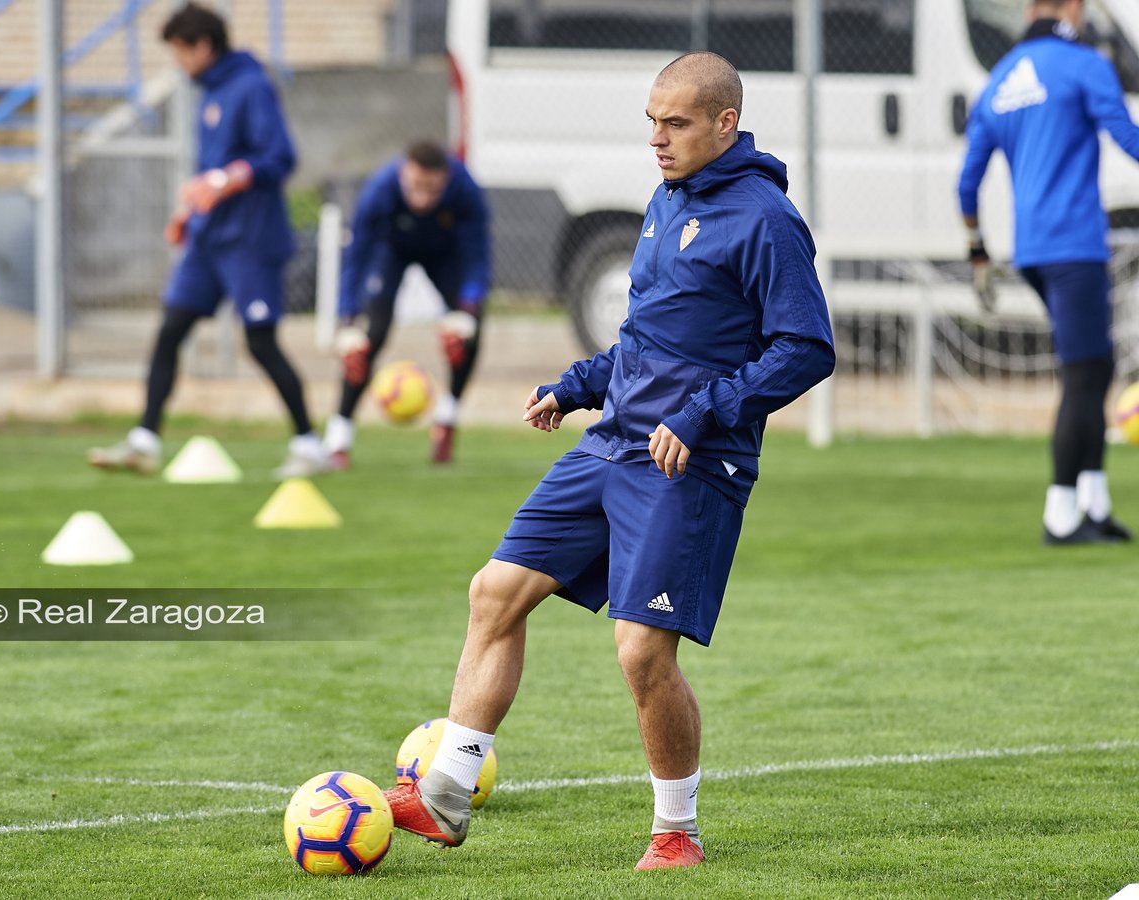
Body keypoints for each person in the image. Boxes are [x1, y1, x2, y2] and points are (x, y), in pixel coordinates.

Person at [383, 52, 835, 869]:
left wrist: (704, 413)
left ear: (725, 124)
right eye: (652, 123)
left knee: (639, 650)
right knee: (495, 591)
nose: (657, 140)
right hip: (614, 441)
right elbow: (650, 337)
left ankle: (677, 833)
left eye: (677, 124)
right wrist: (580, 385)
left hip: (688, 464)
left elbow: (805, 348)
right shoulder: (668, 199)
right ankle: (444, 796)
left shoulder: (765, 218)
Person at [88, 2, 331, 479]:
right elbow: (211, 170)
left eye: (180, 52)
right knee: (170, 331)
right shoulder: (211, 92)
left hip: (250, 240)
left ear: (202, 46)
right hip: (209, 239)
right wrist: (188, 209)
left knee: (260, 343)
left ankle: (309, 444)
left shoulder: (252, 86)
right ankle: (144, 441)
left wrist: (225, 181)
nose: (177, 63)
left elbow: (279, 157)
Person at [958, 0, 1139, 544]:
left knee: (1096, 366)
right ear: (1073, 8)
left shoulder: (1000, 80)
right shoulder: (1085, 64)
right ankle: (1061, 516)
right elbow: (1128, 138)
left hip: (1029, 249)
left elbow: (966, 183)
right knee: (1084, 374)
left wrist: (978, 251)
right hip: (1075, 245)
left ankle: (1094, 503)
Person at [326, 141, 491, 467]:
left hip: (445, 255)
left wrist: (468, 309)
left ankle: (446, 420)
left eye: (432, 189)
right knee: (368, 339)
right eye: (416, 187)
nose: (423, 199)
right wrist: (346, 320)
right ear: (403, 174)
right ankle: (338, 437)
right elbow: (356, 257)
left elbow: (478, 253)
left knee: (468, 334)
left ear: (446, 179)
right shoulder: (379, 190)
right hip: (392, 250)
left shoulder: (466, 189)